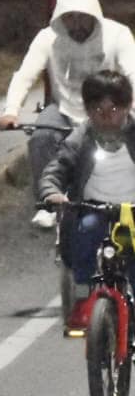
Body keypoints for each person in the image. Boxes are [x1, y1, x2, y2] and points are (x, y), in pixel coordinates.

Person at [0, 0, 135, 228]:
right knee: (41, 136)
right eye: (70, 18)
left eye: (83, 17)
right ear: (61, 17)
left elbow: (133, 73)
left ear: (95, 15)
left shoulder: (117, 35)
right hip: (63, 108)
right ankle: (46, 204)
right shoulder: (47, 39)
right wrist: (11, 110)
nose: (77, 24)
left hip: (107, 110)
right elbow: (25, 74)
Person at [40, 69, 135, 287]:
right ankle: (83, 291)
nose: (106, 116)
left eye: (113, 109)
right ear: (87, 110)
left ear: (128, 106)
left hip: (132, 212)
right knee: (86, 232)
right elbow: (57, 169)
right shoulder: (81, 138)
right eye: (97, 109)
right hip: (94, 209)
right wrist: (52, 192)